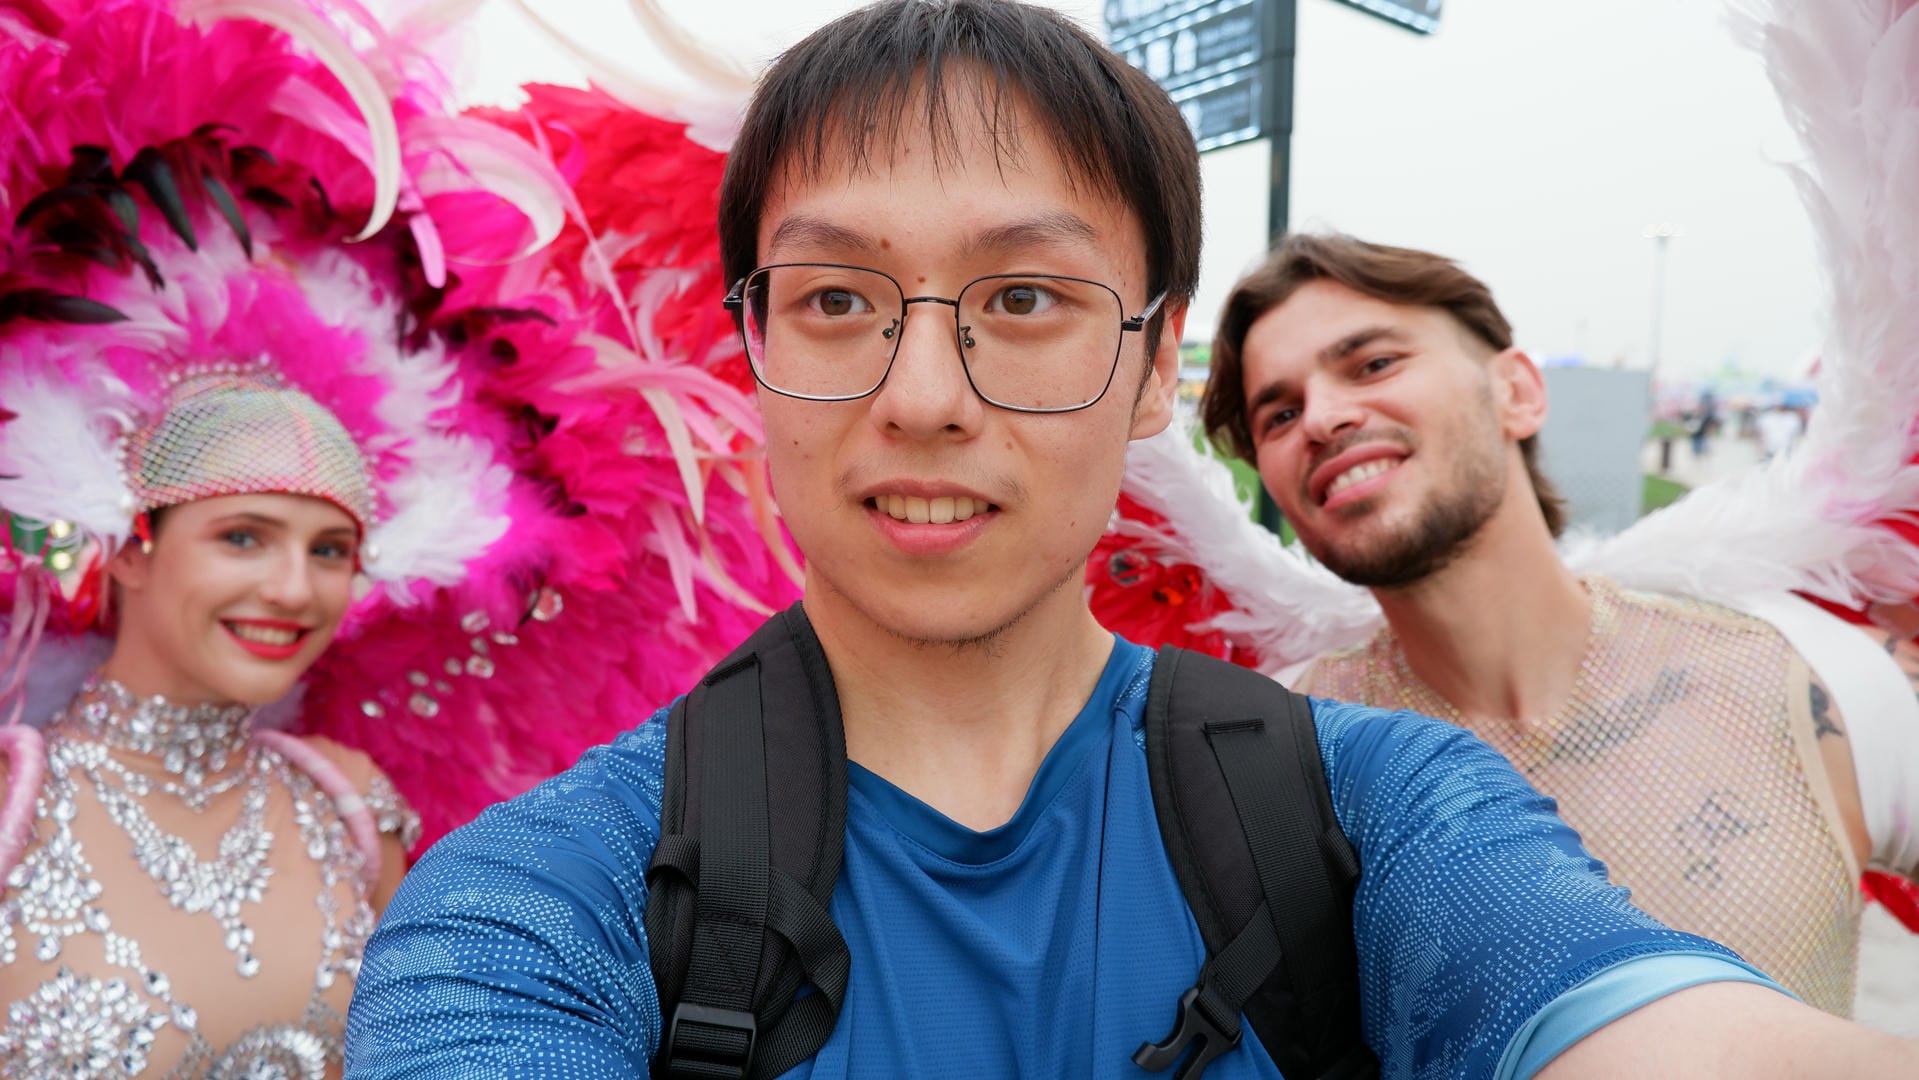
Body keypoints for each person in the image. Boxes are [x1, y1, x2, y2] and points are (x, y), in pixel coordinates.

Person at [344, 2, 1918, 1076]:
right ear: (749, 348)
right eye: (836, 301)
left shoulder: (1381, 807)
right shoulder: (535, 904)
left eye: (1022, 301)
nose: (921, 396)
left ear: (1151, 374)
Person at [0, 0, 798, 1069]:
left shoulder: (349, 807)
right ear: (133, 543)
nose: (294, 588)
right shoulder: (16, 797)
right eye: (242, 537)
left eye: (330, 550)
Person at [1186, 231, 1919, 1019]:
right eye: (1279, 412)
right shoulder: (1269, 765)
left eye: (1372, 364)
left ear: (1518, 393)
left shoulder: (1813, 679)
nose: (1322, 418)